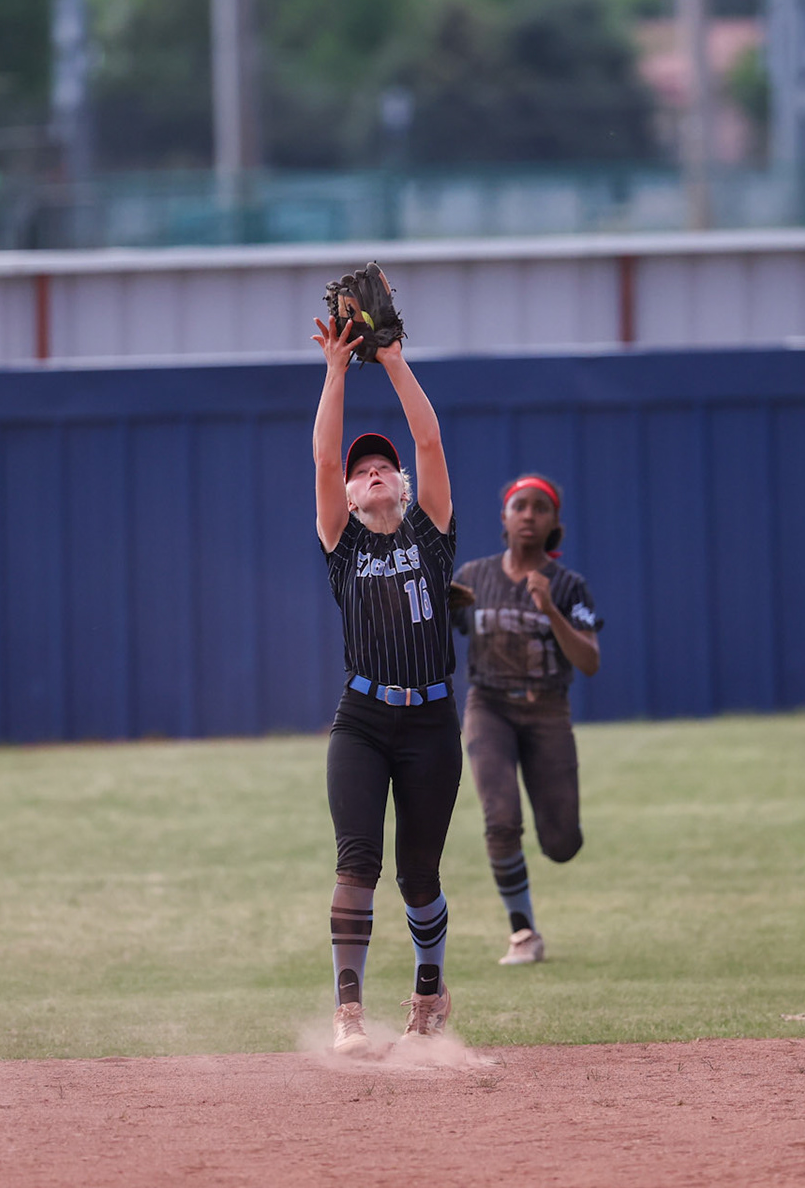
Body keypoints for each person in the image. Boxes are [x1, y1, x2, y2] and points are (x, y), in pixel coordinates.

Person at [310, 312, 462, 1058]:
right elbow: (323, 456)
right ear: (347, 493)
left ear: (400, 484)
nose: (371, 471)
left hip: (433, 725)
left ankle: (430, 989)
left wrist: (394, 360)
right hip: (364, 718)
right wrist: (337, 369)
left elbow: (428, 439)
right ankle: (350, 1015)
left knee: (419, 875)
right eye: (359, 470)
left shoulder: (429, 531)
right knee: (356, 859)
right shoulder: (343, 548)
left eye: (382, 467)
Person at [450, 474, 602, 966]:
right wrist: (439, 603)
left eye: (540, 507)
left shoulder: (569, 585)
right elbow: (435, 629)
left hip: (547, 710)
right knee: (500, 819)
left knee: (561, 843)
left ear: (555, 521)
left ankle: (555, 843)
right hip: (489, 705)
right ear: (504, 517)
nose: (529, 515)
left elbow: (590, 661)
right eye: (520, 506)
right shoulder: (474, 577)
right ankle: (523, 932)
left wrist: (551, 611)